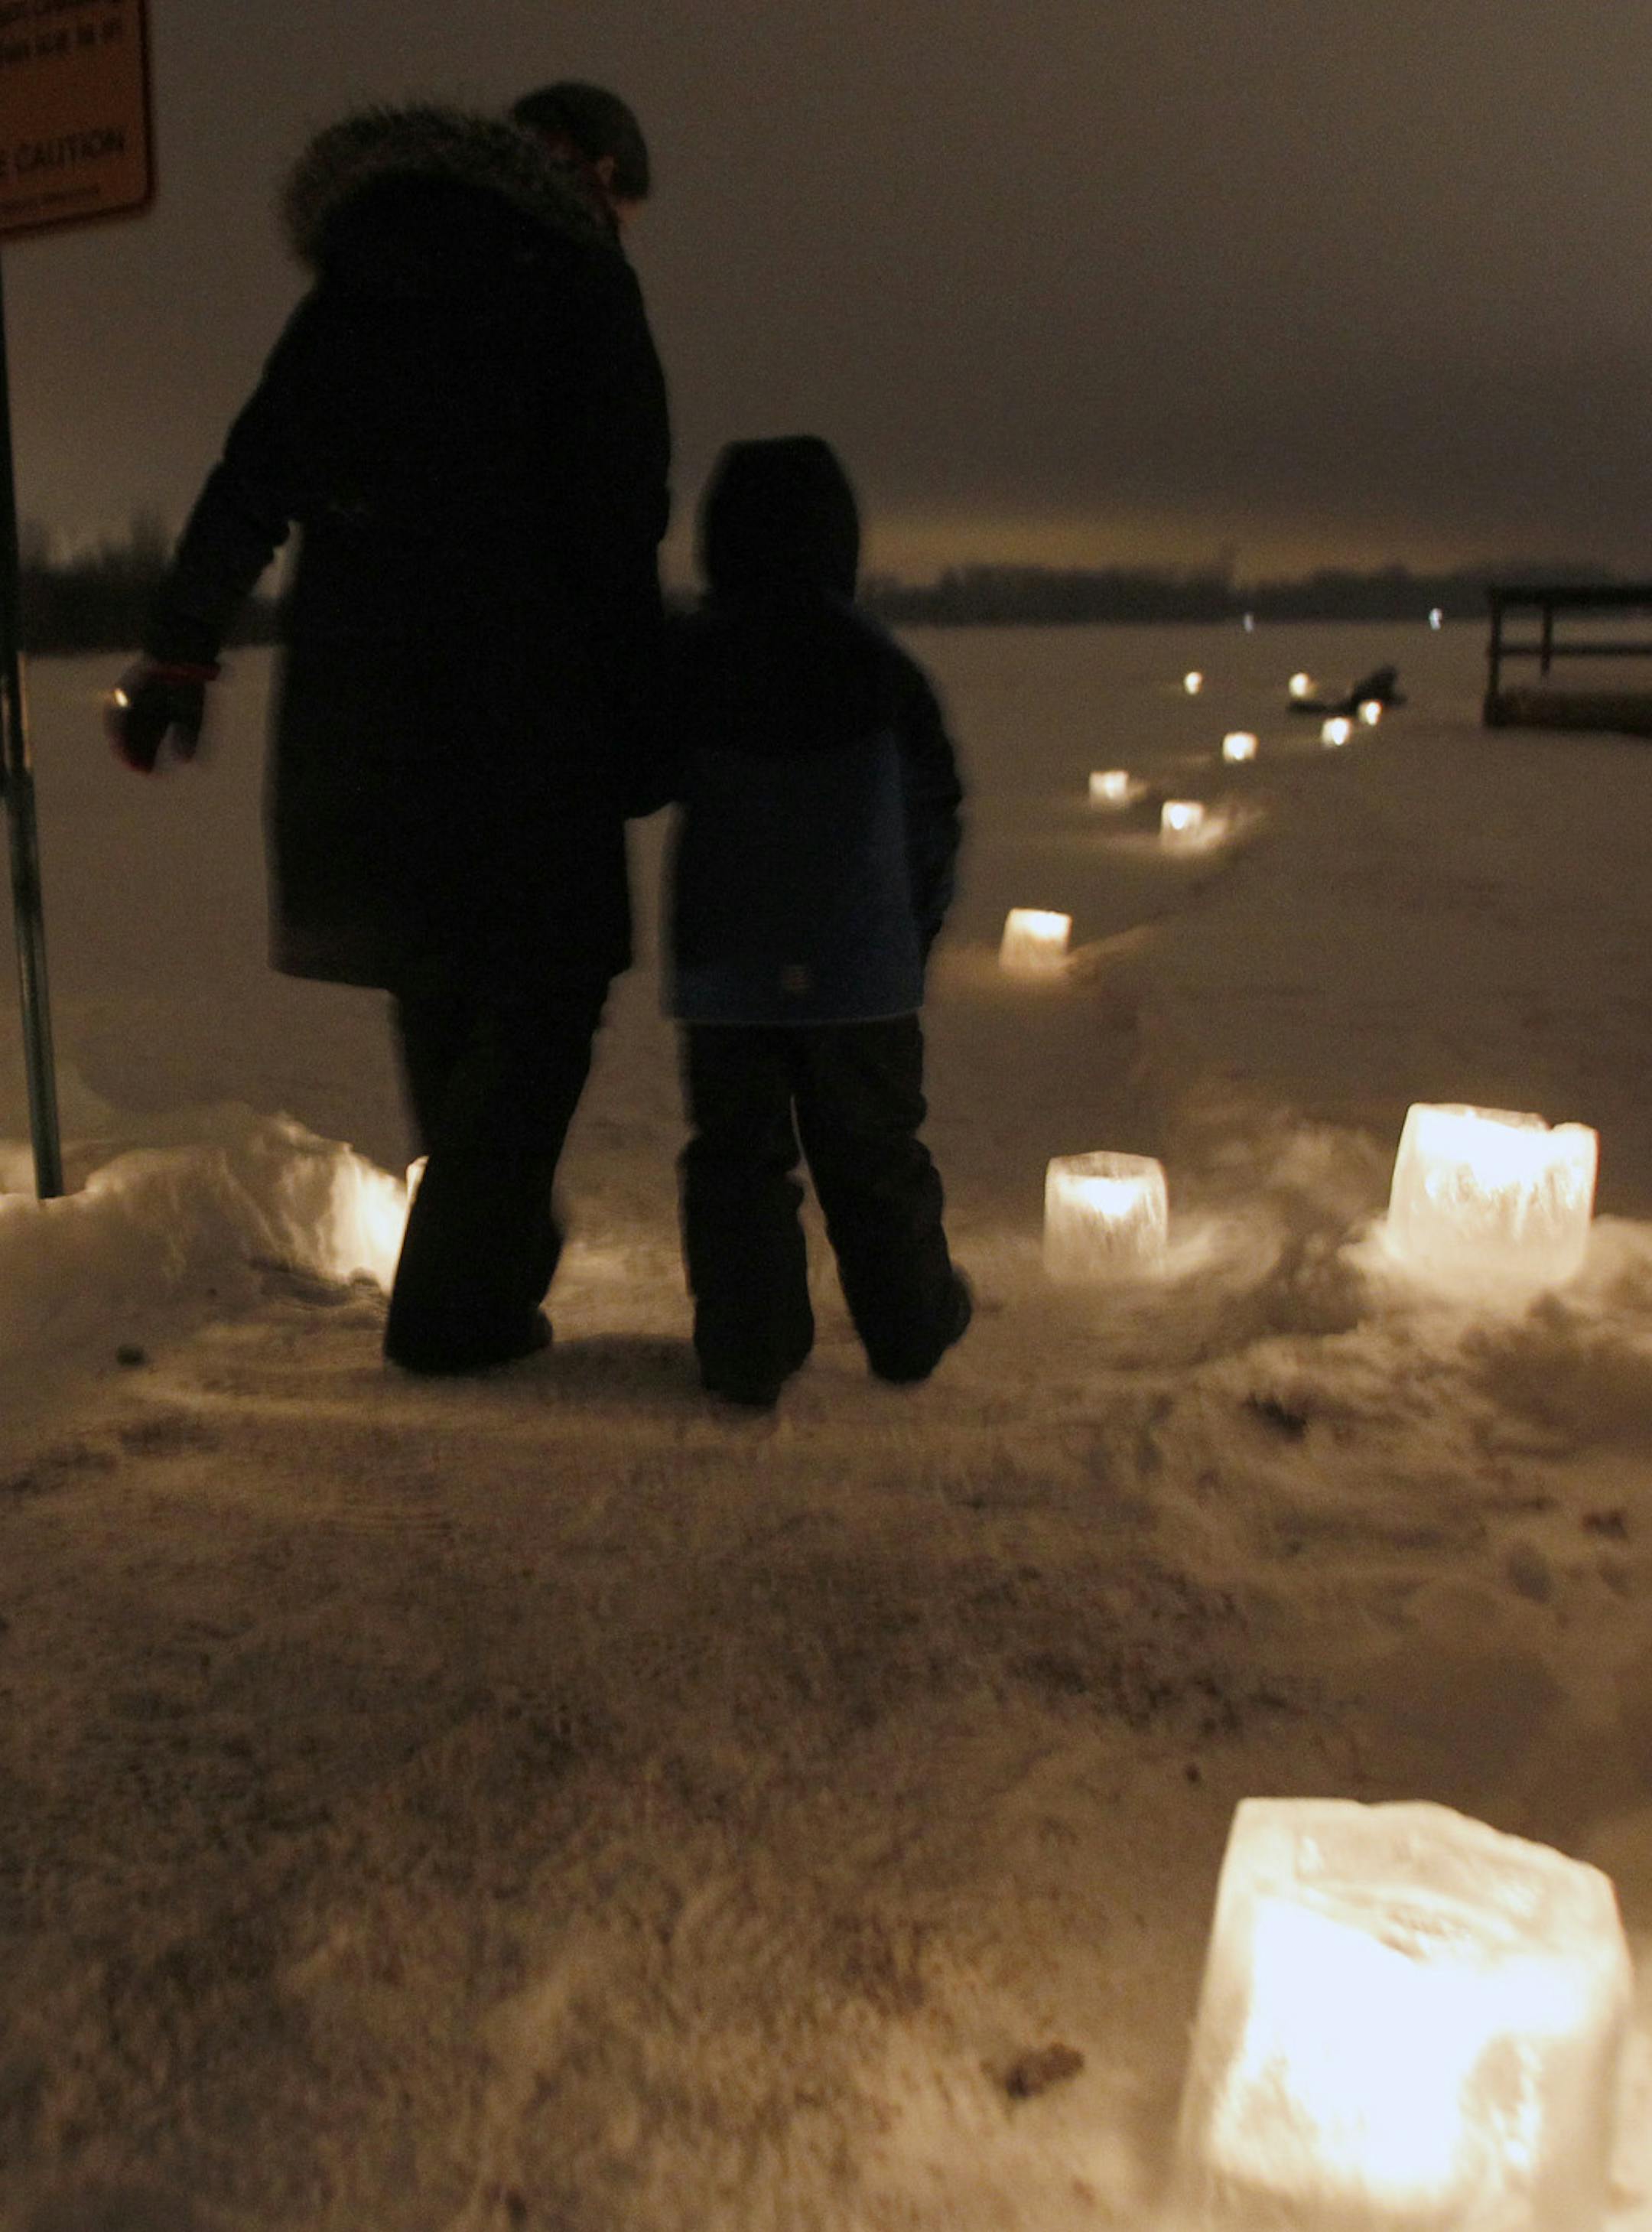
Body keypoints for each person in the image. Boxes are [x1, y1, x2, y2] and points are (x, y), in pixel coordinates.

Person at [107, 83, 672, 1373]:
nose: (619, 224)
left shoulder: (358, 289)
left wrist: (181, 645)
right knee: (542, 994)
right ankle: (460, 1302)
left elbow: (251, 478)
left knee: (444, 984)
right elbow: (615, 520)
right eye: (621, 200)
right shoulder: (580, 286)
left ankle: (488, 1246)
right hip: (527, 715)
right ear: (587, 171)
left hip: (366, 720)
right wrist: (641, 721)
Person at [659, 435, 971, 1409]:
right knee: (874, 1153)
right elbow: (933, 809)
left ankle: (748, 1346)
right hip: (862, 973)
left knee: (739, 1159)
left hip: (727, 973)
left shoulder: (695, 661)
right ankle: (910, 1324)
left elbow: (637, 772)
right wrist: (911, 932)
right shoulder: (882, 667)